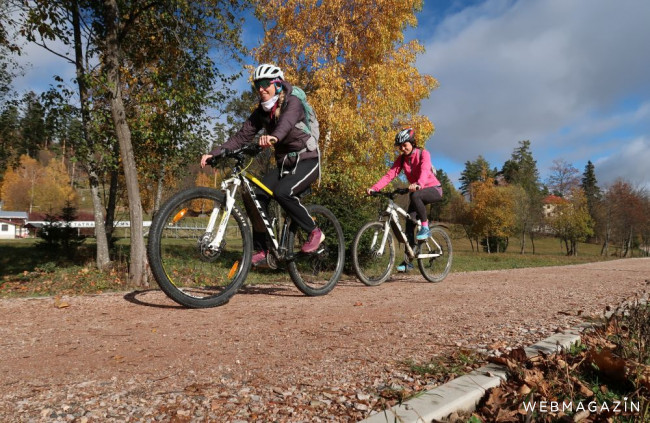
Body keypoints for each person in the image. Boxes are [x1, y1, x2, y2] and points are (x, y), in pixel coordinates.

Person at [201, 64, 323, 266]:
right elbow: (241, 137)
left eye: (265, 84)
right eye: (257, 85)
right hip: (284, 164)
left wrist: (273, 137)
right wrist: (215, 153)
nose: (261, 89)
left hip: (307, 159)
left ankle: (314, 231)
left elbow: (285, 124)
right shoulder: (261, 112)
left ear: (277, 84)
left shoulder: (292, 102)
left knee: (283, 192)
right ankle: (264, 249)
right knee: (256, 195)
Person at [366, 128, 442, 272]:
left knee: (415, 196)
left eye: (405, 144)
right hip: (417, 191)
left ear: (412, 143)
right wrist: (374, 188)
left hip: (433, 189)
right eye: (400, 146)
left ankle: (425, 227)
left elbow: (425, 170)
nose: (402, 148)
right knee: (409, 222)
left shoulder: (423, 153)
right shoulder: (401, 160)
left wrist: (419, 183)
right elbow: (389, 175)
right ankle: (408, 261)